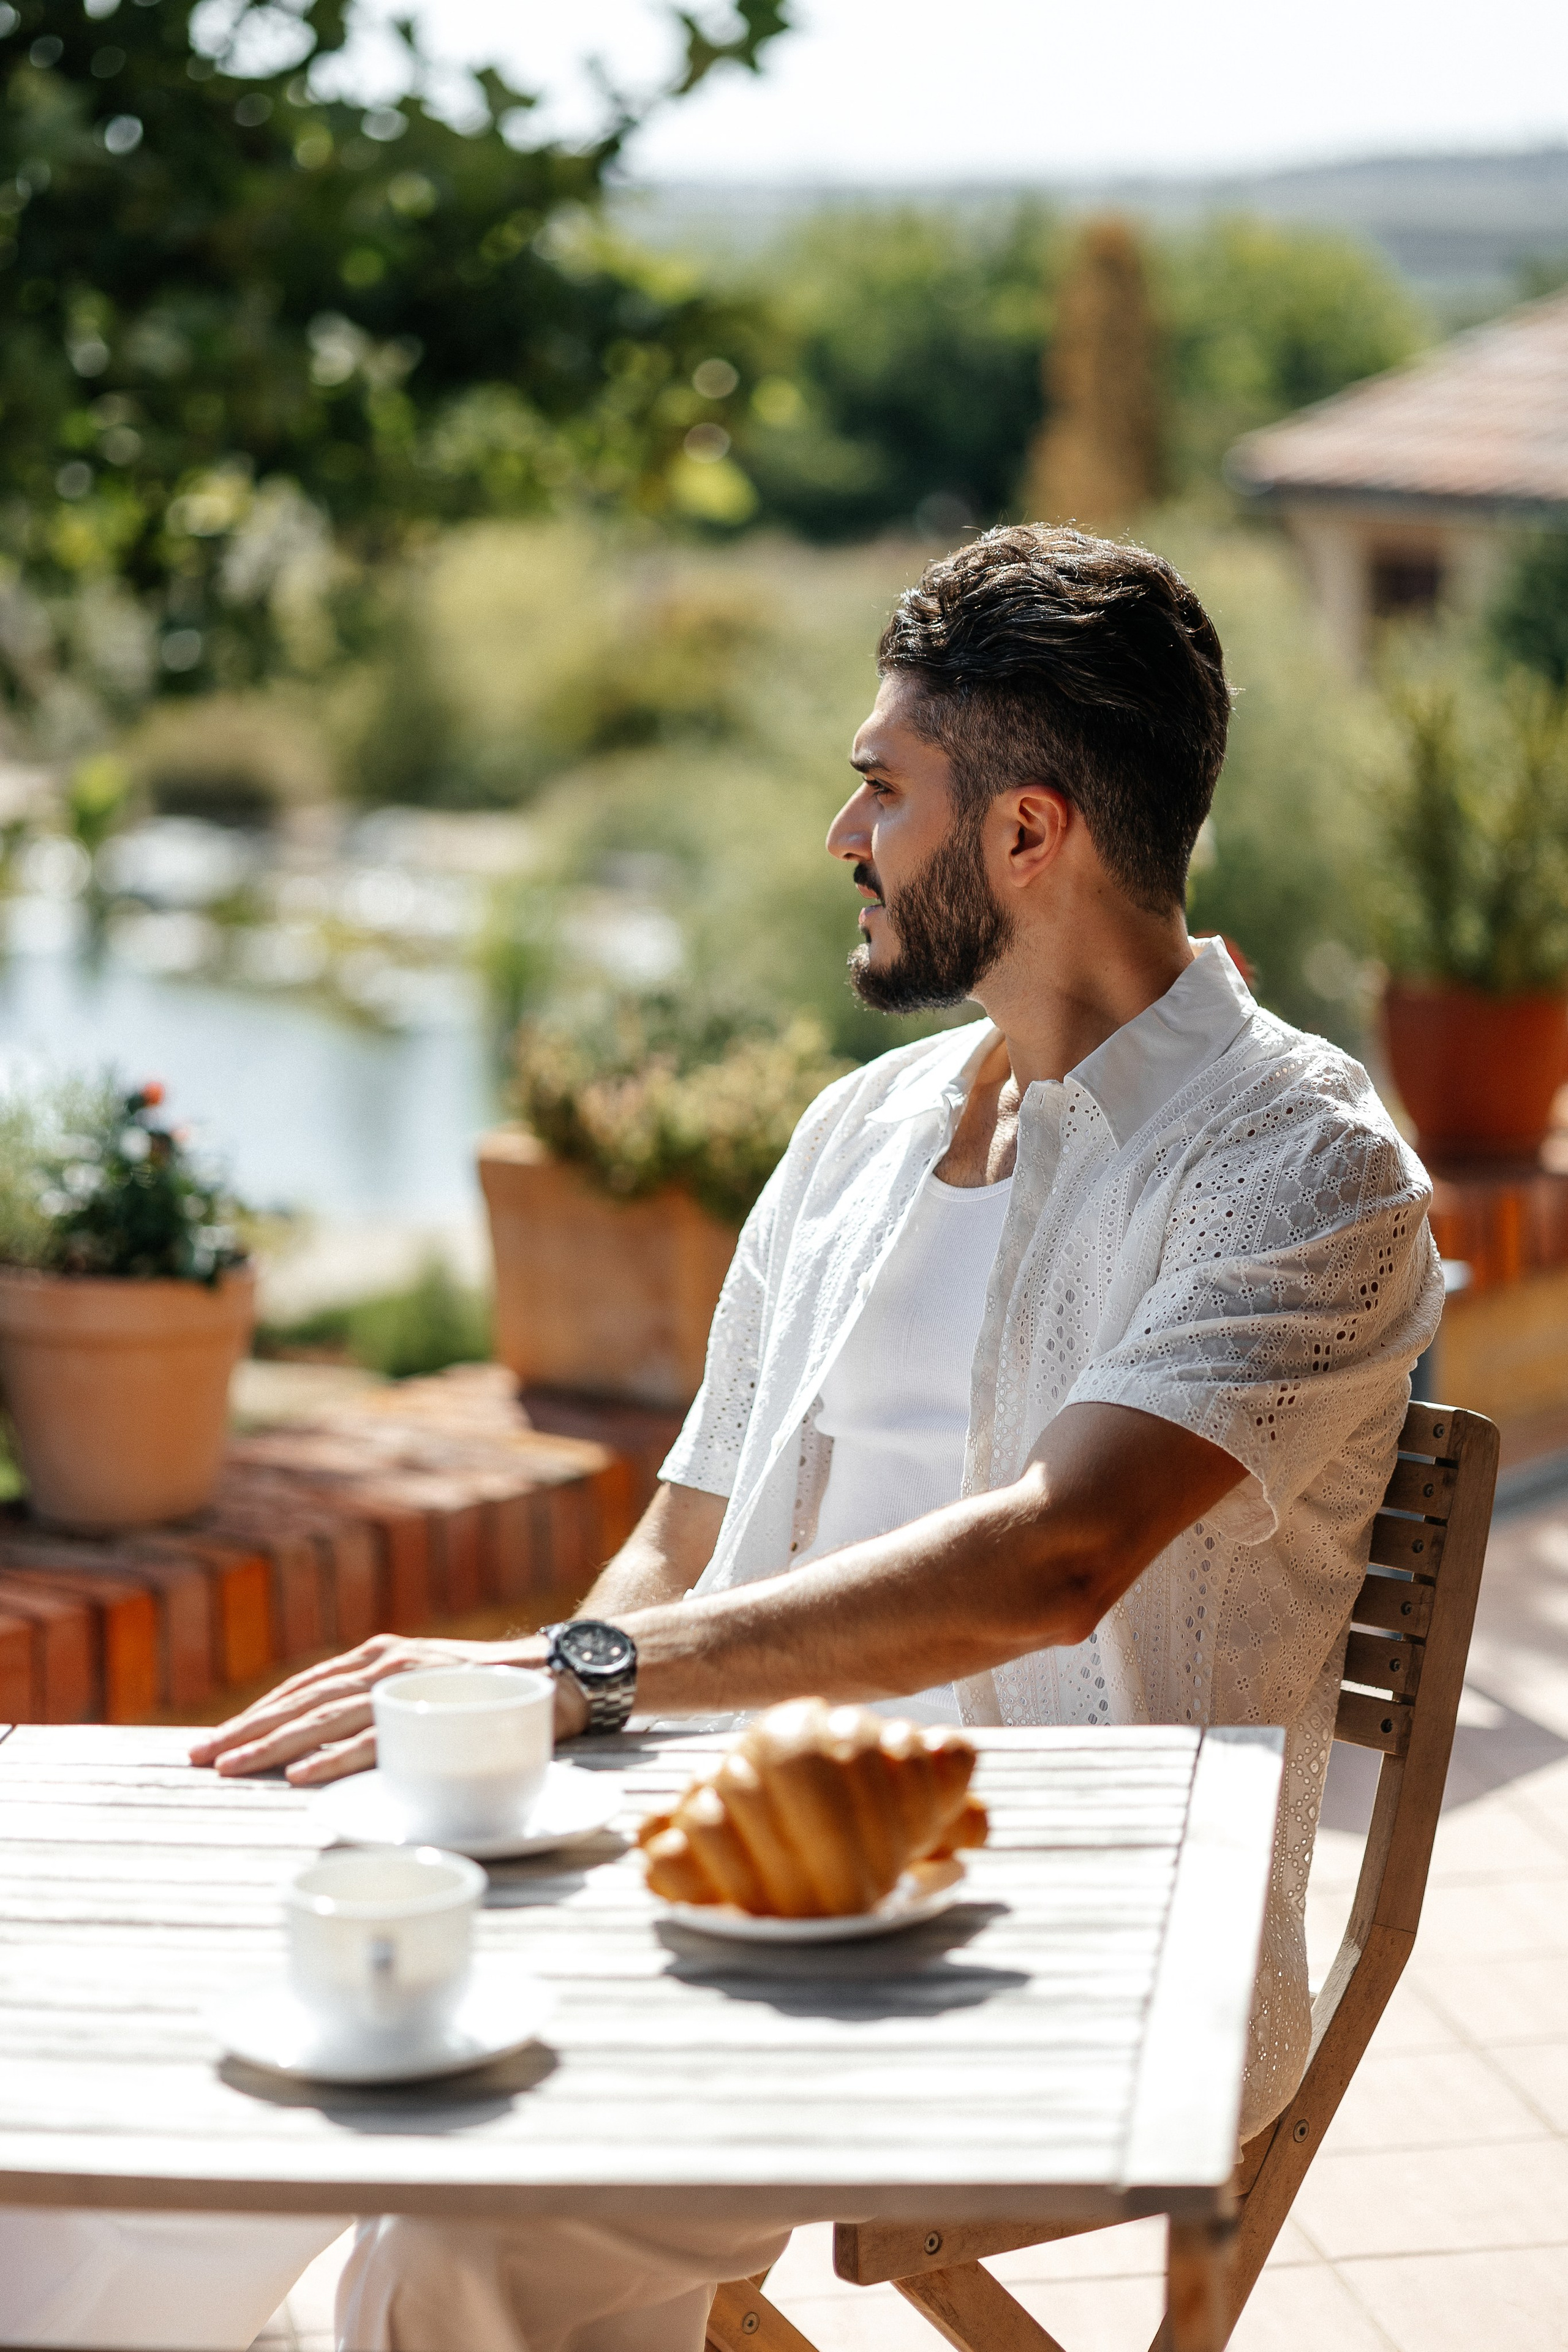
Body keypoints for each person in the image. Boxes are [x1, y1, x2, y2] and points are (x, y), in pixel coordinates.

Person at [189, 525, 1441, 2352]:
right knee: (246, 2073)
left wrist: (581, 1673)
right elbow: (686, 1534)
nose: (844, 835)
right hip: (730, 1866)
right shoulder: (858, 1136)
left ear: (1028, 834)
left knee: (472, 2217)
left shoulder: (1304, 1167)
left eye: (884, 789)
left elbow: (1060, 1559)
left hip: (1074, 1950)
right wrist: (527, 1764)